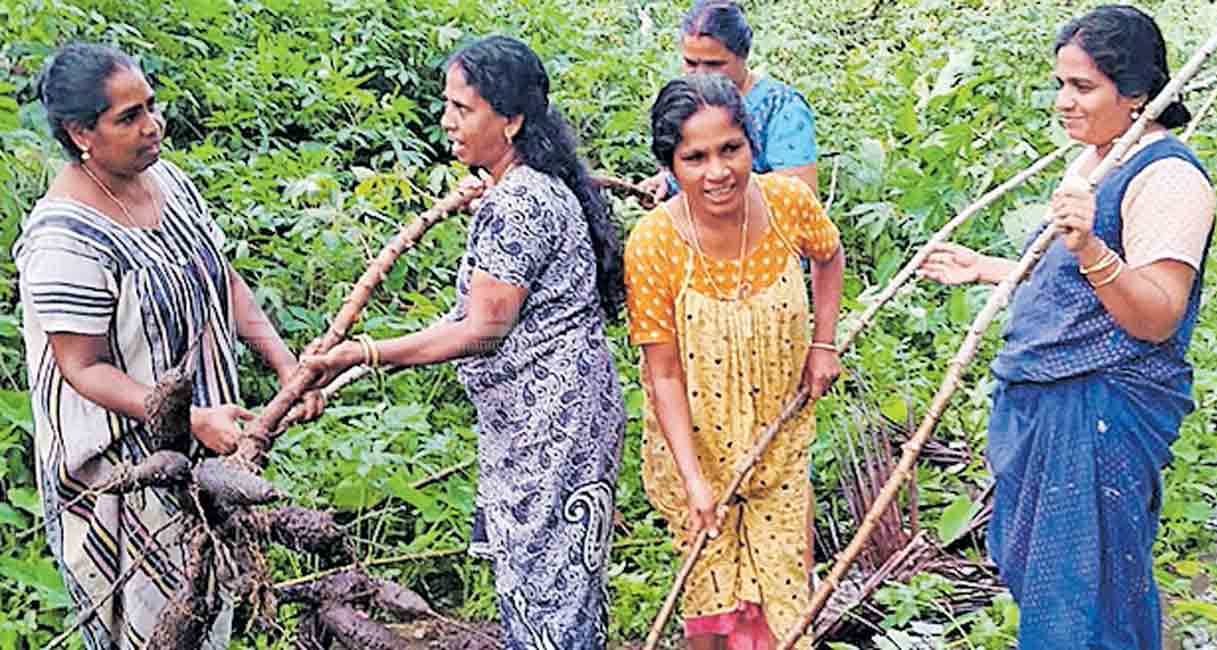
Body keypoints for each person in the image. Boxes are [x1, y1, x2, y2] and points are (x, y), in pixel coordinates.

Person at [303, 35, 627, 648]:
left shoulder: (520, 202)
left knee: (548, 586)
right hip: (555, 417)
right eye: (447, 105)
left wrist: (367, 352)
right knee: (558, 582)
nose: (447, 121)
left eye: (463, 108)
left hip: (550, 423)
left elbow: (483, 329)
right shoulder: (526, 189)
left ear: (511, 120)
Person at [918, 6, 1214, 648]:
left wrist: (1089, 249)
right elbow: (1072, 285)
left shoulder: (1169, 178)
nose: (1063, 102)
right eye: (1061, 84)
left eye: (1082, 87)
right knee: (1058, 591)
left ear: (1136, 93)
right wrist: (989, 269)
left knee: (1092, 599)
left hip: (1100, 413)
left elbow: (1157, 312)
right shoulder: (1097, 160)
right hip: (1047, 406)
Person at [15, 43, 322, 649]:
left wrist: (286, 364)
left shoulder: (167, 183)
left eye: (151, 107)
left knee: (210, 604)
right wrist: (190, 416)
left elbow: (224, 279)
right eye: (128, 118)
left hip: (206, 460)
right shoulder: (63, 238)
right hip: (123, 474)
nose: (152, 126)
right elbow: (82, 368)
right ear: (81, 133)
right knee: (150, 626)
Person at [624, 73, 844, 649]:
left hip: (779, 439)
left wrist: (823, 343)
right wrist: (697, 484)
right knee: (711, 607)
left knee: (784, 602)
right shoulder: (653, 244)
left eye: (731, 149)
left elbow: (830, 255)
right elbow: (662, 373)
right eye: (694, 157)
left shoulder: (788, 203)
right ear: (670, 165)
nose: (717, 172)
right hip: (697, 455)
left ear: (751, 143)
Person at [639, 0, 819, 203]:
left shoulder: (781, 107)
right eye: (691, 63)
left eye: (713, 64)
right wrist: (668, 181)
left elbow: (801, 197)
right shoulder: (685, 100)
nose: (700, 74)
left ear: (743, 56)